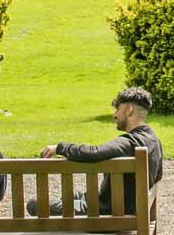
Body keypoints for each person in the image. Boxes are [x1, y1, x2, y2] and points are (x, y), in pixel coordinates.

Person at [30, 87, 163, 217]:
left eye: (118, 109)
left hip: (108, 212)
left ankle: (69, 220)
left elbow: (93, 153)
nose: (114, 115)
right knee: (74, 195)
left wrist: (59, 148)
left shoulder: (130, 142)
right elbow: (158, 177)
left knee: (34, 205)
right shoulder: (153, 139)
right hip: (128, 206)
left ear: (129, 110)